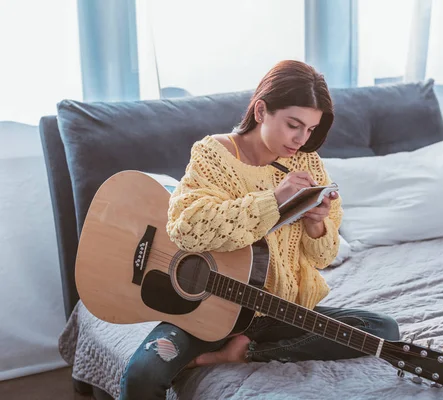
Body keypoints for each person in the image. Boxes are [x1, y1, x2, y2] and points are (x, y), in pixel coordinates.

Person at [119, 60, 400, 400]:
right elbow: (188, 228)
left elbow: (325, 258)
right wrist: (274, 198)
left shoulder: (308, 164)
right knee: (142, 375)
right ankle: (229, 345)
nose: (301, 139)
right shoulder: (213, 155)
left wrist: (316, 224)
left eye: (310, 129)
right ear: (262, 109)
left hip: (277, 310)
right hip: (207, 307)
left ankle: (245, 352)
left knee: (383, 329)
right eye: (293, 125)